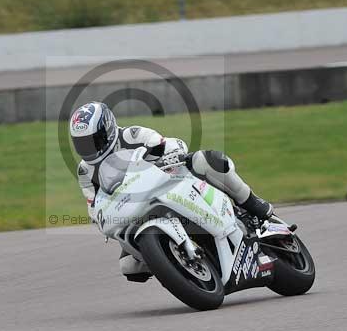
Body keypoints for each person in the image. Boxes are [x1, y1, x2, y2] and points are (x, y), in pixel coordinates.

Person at [69, 101, 273, 282]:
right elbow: (93, 204)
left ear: (108, 130)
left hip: (167, 179)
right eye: (82, 144)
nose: (89, 148)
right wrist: (99, 218)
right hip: (133, 209)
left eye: (93, 141)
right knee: (129, 266)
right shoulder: (85, 170)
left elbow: (164, 143)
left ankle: (251, 202)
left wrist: (171, 155)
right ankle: (174, 262)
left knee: (207, 160)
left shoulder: (131, 135)